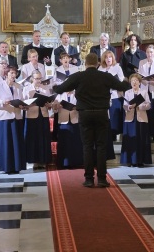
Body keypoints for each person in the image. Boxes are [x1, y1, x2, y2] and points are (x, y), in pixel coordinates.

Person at [52, 53, 130, 188]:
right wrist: (126, 80)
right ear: (97, 63)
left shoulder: (79, 76)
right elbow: (123, 87)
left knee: (87, 146)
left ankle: (88, 179)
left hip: (85, 114)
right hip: (101, 114)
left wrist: (54, 86)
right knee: (101, 146)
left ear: (86, 63)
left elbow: (59, 89)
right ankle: (101, 179)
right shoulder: (105, 76)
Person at [0, 66, 26, 174]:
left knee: (17, 143)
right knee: (6, 143)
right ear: (6, 74)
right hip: (5, 117)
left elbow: (22, 100)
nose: (14, 76)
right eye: (12, 73)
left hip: (17, 117)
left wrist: (23, 106)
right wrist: (3, 102)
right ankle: (6, 166)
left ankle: (17, 166)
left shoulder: (18, 86)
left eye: (15, 73)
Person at [23, 70, 52, 170]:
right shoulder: (27, 89)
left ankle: (43, 160)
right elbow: (24, 103)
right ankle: (33, 160)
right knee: (33, 139)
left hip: (43, 115)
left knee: (43, 138)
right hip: (32, 115)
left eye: (40, 78)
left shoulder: (45, 88)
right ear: (32, 78)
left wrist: (49, 105)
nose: (38, 80)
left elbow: (49, 103)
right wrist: (31, 103)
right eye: (36, 78)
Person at [120, 73, 151, 167]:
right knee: (130, 140)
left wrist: (140, 106)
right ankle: (130, 160)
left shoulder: (144, 92)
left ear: (139, 82)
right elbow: (124, 105)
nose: (134, 82)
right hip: (130, 118)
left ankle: (140, 160)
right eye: (132, 80)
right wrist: (129, 107)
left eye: (136, 80)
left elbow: (149, 105)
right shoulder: (128, 92)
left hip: (141, 119)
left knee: (141, 139)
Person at [98, 50, 125, 139]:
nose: (108, 59)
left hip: (115, 95)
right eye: (106, 57)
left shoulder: (117, 67)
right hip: (103, 97)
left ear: (113, 58)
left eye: (110, 57)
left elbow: (121, 81)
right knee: (105, 117)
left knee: (114, 117)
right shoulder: (100, 68)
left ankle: (115, 135)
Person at [52, 90, 83, 168]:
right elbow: (54, 109)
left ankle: (75, 162)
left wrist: (76, 107)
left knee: (75, 142)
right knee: (63, 142)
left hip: (74, 120)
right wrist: (56, 107)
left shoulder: (77, 93)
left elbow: (82, 105)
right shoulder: (60, 95)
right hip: (63, 121)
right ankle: (63, 163)